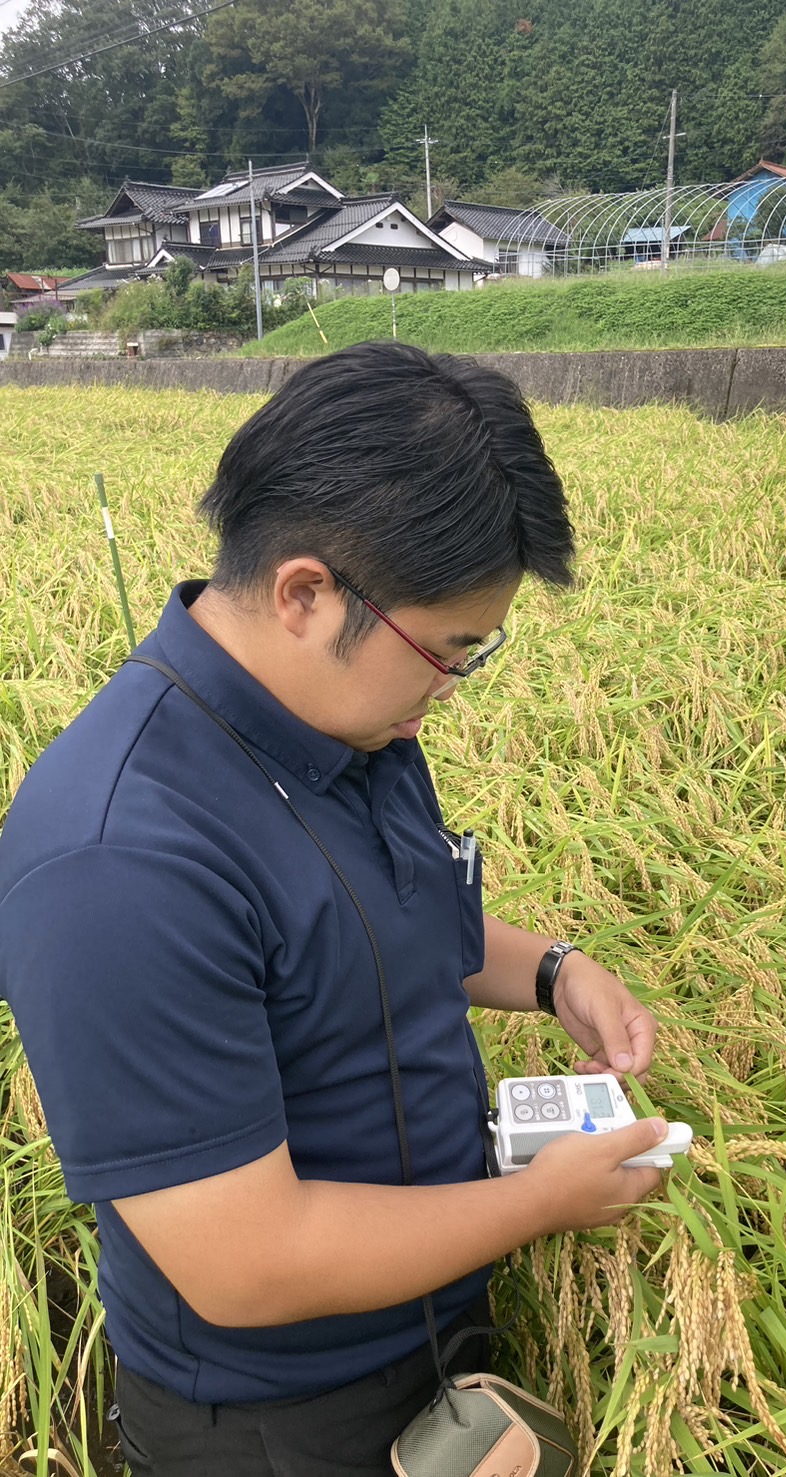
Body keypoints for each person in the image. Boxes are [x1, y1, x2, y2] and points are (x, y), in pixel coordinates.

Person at [0, 341, 667, 1477]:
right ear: (307, 592)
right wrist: (539, 1203)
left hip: (432, 1327)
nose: (449, 691)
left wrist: (555, 971)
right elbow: (246, 1261)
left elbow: (382, 931)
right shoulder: (118, 860)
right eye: (450, 651)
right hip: (280, 1419)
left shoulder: (350, 729)